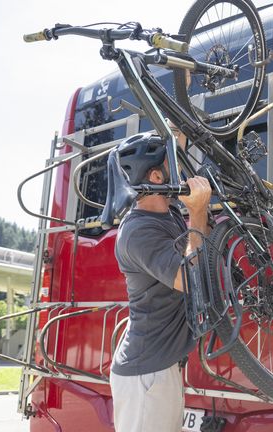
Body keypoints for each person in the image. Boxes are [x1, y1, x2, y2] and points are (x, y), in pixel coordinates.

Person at [109, 130, 212, 432]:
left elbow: (200, 244)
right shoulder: (138, 232)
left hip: (160, 368)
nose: (180, 171)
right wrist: (197, 212)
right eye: (173, 165)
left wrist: (176, 122)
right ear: (156, 177)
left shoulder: (167, 212)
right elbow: (189, 280)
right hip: (146, 376)